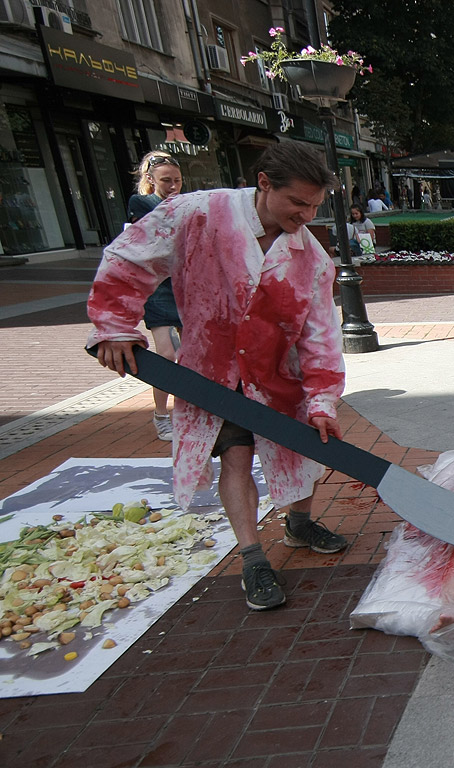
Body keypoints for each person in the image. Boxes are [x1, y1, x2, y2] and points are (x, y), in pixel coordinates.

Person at [87, 141, 348, 610]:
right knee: (235, 456)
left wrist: (322, 399)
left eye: (315, 205)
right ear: (265, 184)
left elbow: (322, 336)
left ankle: (299, 524)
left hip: (276, 373)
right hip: (213, 370)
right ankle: (253, 558)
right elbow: (128, 258)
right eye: (298, 202)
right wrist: (114, 326)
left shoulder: (312, 261)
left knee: (304, 447)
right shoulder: (195, 213)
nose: (307, 215)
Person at [127, 151, 183, 441]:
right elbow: (155, 235)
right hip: (159, 289)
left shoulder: (185, 203)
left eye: (177, 180)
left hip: (186, 287)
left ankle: (196, 412)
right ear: (150, 179)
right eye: (166, 180)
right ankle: (162, 415)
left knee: (196, 356)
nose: (173, 186)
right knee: (167, 354)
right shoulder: (143, 202)